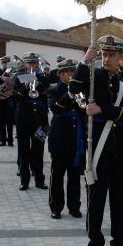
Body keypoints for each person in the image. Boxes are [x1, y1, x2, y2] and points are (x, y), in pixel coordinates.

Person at [75, 36, 123, 246]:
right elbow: (74, 88)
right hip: (98, 151)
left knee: (120, 204)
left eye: (112, 55)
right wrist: (84, 61)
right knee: (96, 203)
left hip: (120, 151)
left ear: (121, 58)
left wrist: (103, 109)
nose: (107, 58)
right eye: (104, 54)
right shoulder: (93, 77)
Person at [47, 59, 84, 219]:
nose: (70, 75)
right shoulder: (54, 89)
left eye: (72, 72)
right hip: (59, 137)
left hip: (76, 139)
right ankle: (56, 207)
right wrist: (70, 93)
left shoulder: (82, 90)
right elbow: (55, 108)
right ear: (61, 74)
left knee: (75, 176)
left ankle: (74, 206)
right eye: (67, 72)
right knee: (57, 175)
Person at [13, 52, 49, 191]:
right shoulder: (19, 77)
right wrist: (25, 87)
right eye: (29, 63)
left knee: (38, 151)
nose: (32, 66)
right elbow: (15, 98)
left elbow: (45, 99)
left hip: (39, 118)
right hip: (23, 118)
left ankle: (40, 180)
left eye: (34, 63)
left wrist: (46, 123)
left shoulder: (42, 78)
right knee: (23, 151)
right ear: (25, 64)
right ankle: (24, 181)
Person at [0, 56, 16, 147]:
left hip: (9, 99)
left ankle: (10, 140)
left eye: (7, 62)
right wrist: (1, 78)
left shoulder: (13, 72)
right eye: (4, 62)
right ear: (2, 63)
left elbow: (16, 84)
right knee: (1, 121)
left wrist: (11, 82)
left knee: (10, 121)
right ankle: (2, 140)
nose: (5, 64)